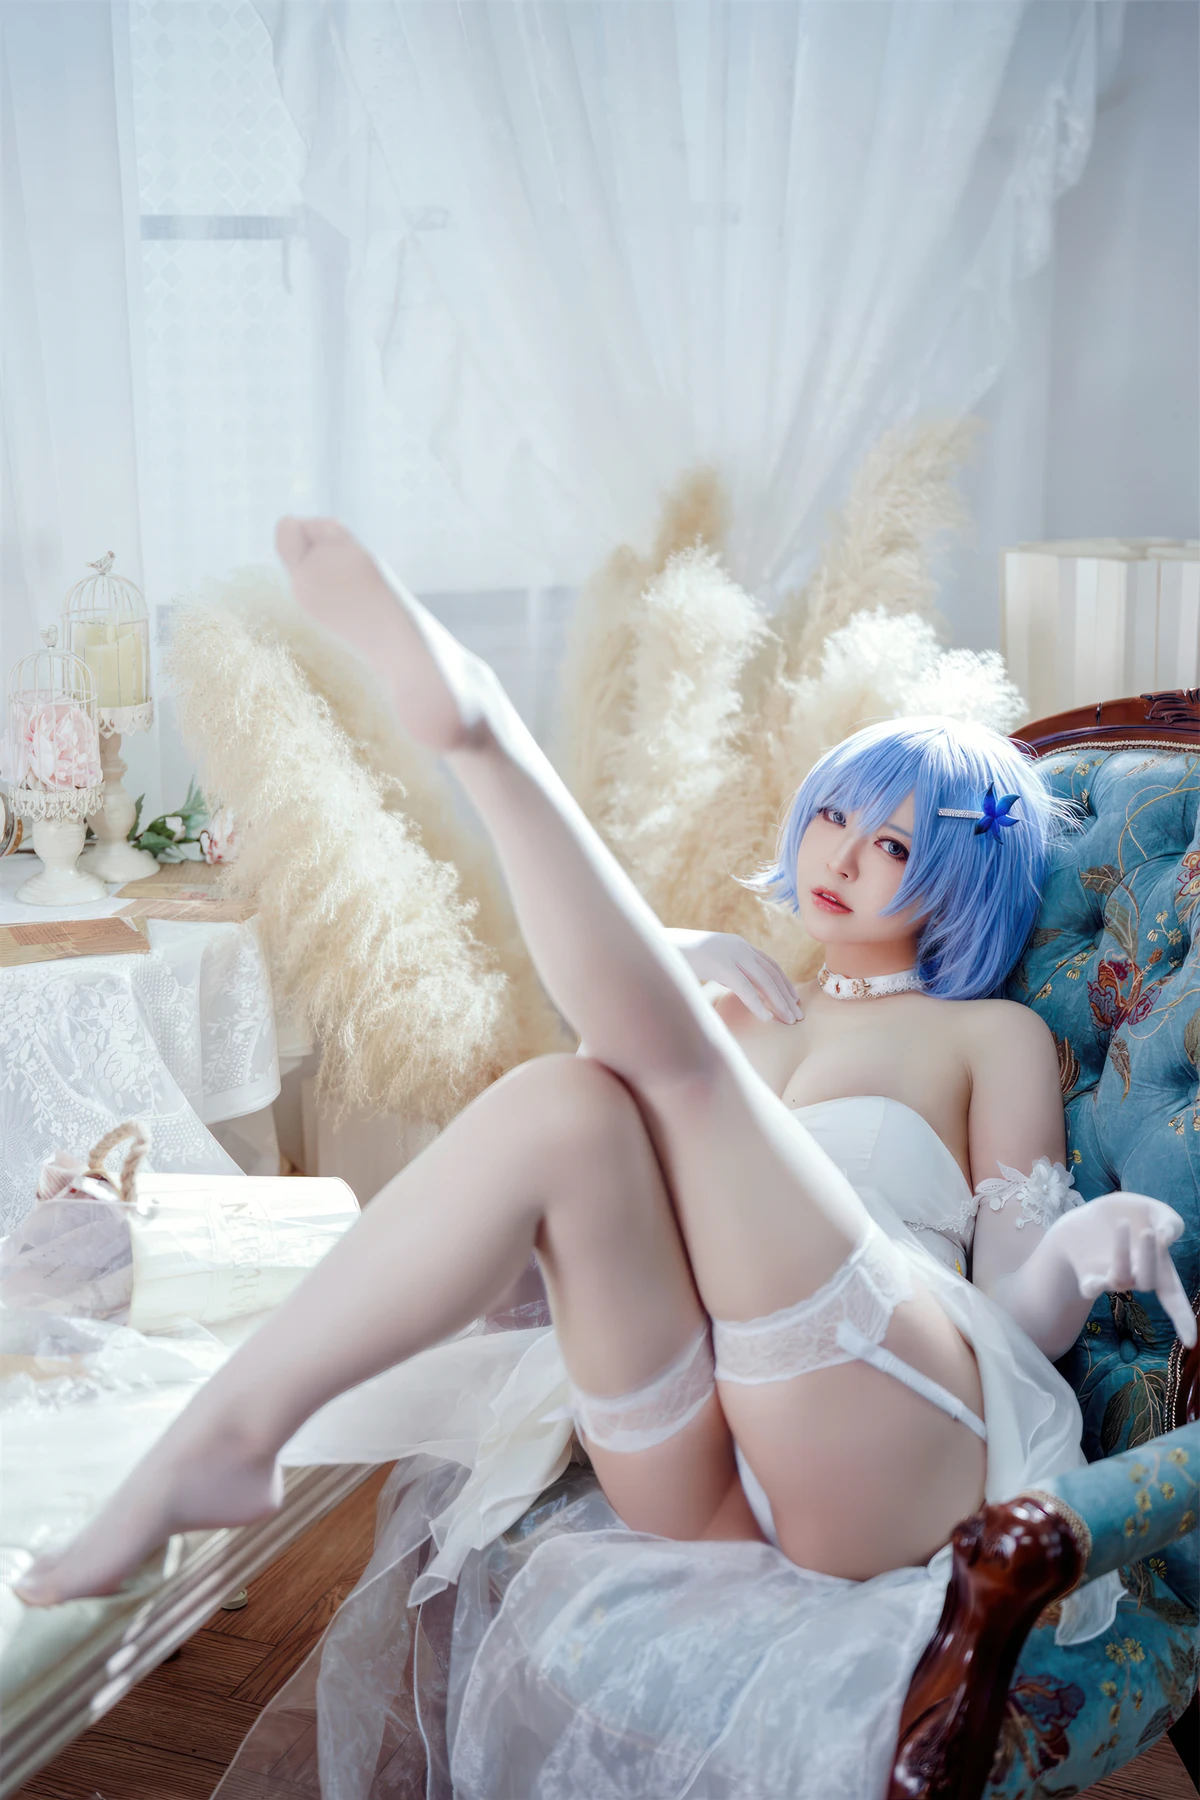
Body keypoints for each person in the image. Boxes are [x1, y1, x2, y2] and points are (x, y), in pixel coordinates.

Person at [15, 520, 1195, 1799]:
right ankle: (233, 1433)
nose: (843, 857)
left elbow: (1017, 1307)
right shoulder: (745, 1010)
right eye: (834, 816)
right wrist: (678, 964)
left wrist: (1078, 1249)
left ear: (964, 880)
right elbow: (598, 1191)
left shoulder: (986, 1035)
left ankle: (481, 733)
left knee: (670, 1070)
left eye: (897, 846)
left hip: (890, 1427)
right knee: (563, 1102)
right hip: (699, 1461)